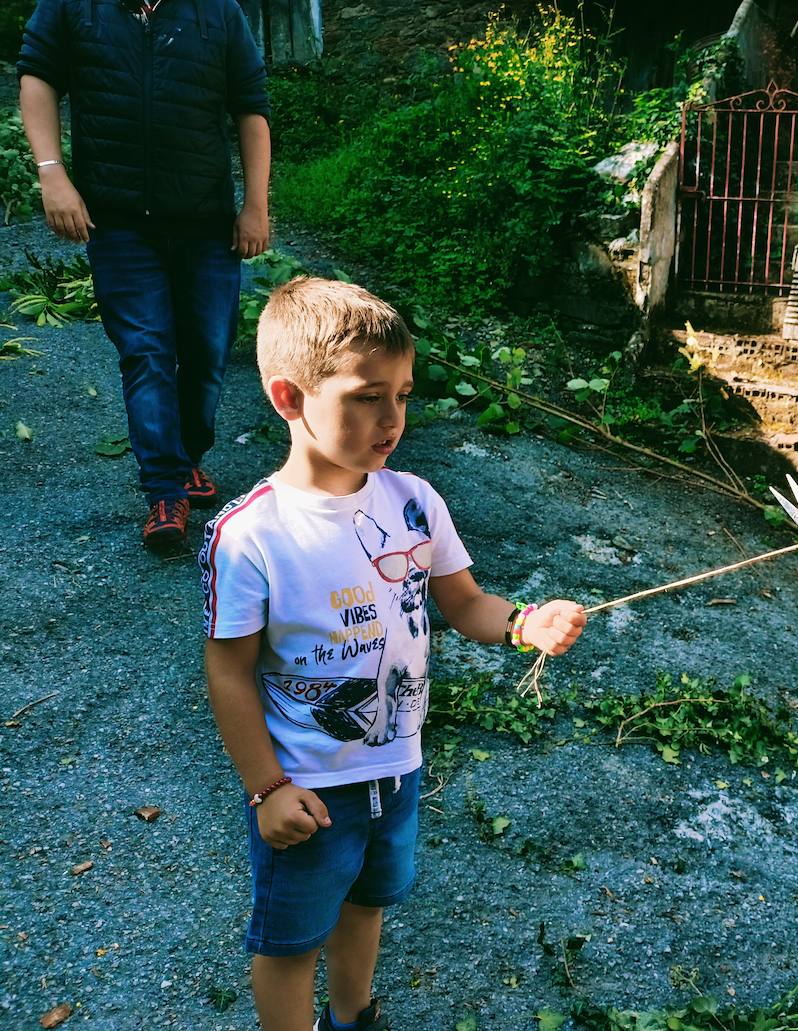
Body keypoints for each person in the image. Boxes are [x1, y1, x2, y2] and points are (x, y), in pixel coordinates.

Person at [198, 278, 587, 1031]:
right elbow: (229, 668)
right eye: (367, 396)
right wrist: (265, 787)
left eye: (403, 395)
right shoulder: (250, 534)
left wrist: (525, 623)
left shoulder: (413, 500)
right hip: (307, 785)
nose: (393, 419)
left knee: (368, 905)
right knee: (289, 940)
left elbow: (466, 603)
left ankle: (354, 1018)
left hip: (396, 770)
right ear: (289, 397)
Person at [17, 0, 272, 549]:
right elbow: (37, 78)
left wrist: (256, 205)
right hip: (118, 220)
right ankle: (164, 488)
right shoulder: (71, 7)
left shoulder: (218, 12)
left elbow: (250, 106)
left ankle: (185, 458)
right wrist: (51, 174)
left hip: (206, 221)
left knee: (206, 352)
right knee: (147, 348)